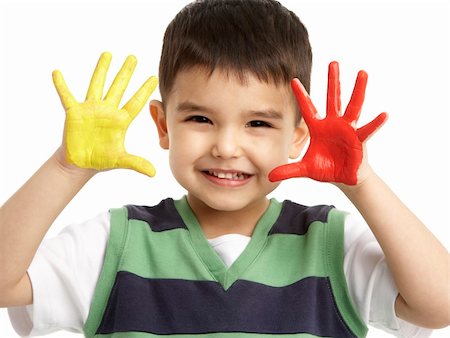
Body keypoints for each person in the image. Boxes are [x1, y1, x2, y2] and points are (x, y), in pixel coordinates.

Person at [0, 0, 448, 337]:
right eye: (200, 119)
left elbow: (439, 304)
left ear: (298, 135)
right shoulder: (117, 243)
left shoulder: (331, 245)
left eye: (257, 123)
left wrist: (363, 183)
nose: (227, 146)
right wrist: (66, 169)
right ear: (163, 125)